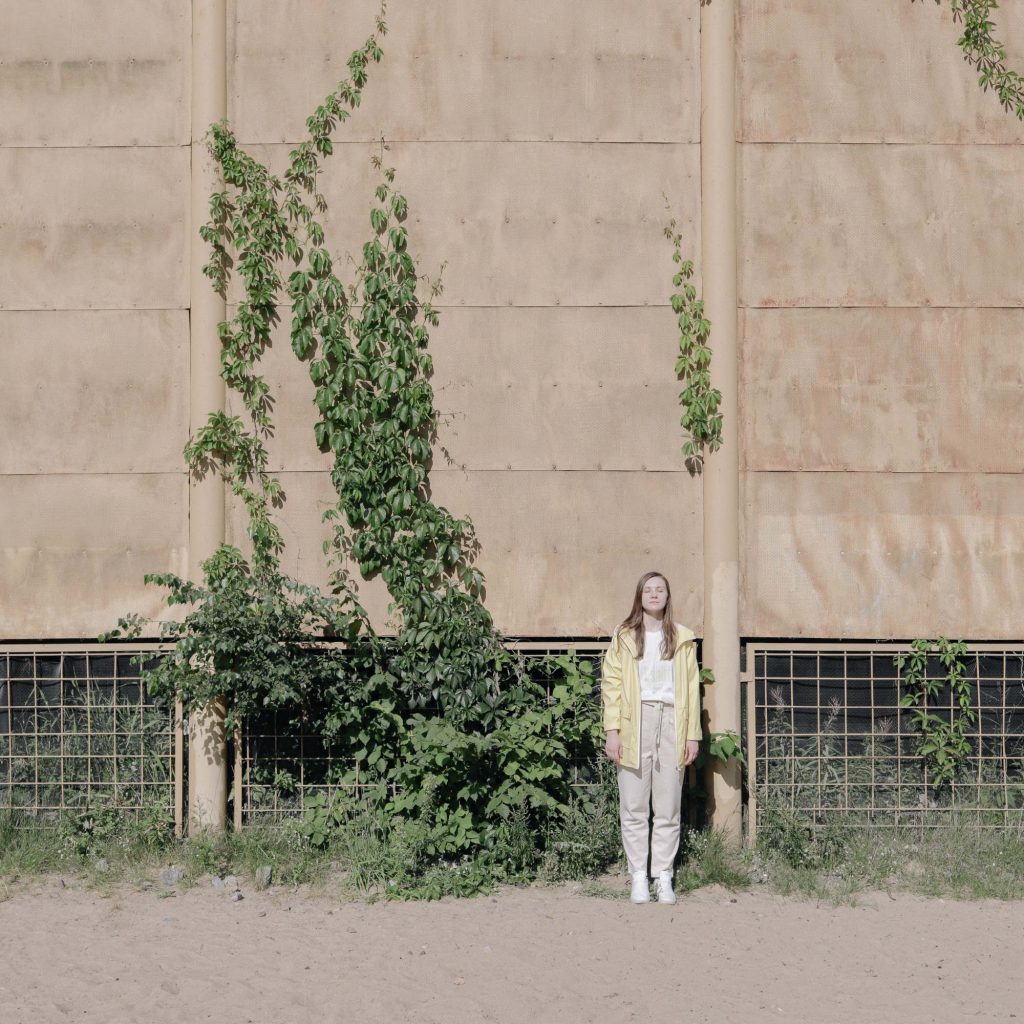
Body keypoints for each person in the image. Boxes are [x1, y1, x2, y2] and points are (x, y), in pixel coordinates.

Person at [601, 571, 702, 904]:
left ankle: (663, 876)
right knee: (633, 805)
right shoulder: (624, 636)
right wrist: (612, 732)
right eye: (648, 590)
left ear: (668, 596)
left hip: (673, 721)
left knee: (668, 806)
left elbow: (692, 689)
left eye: (660, 589)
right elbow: (612, 686)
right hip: (635, 721)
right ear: (639, 596)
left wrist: (692, 735)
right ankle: (638, 877)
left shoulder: (682, 638)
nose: (654, 594)